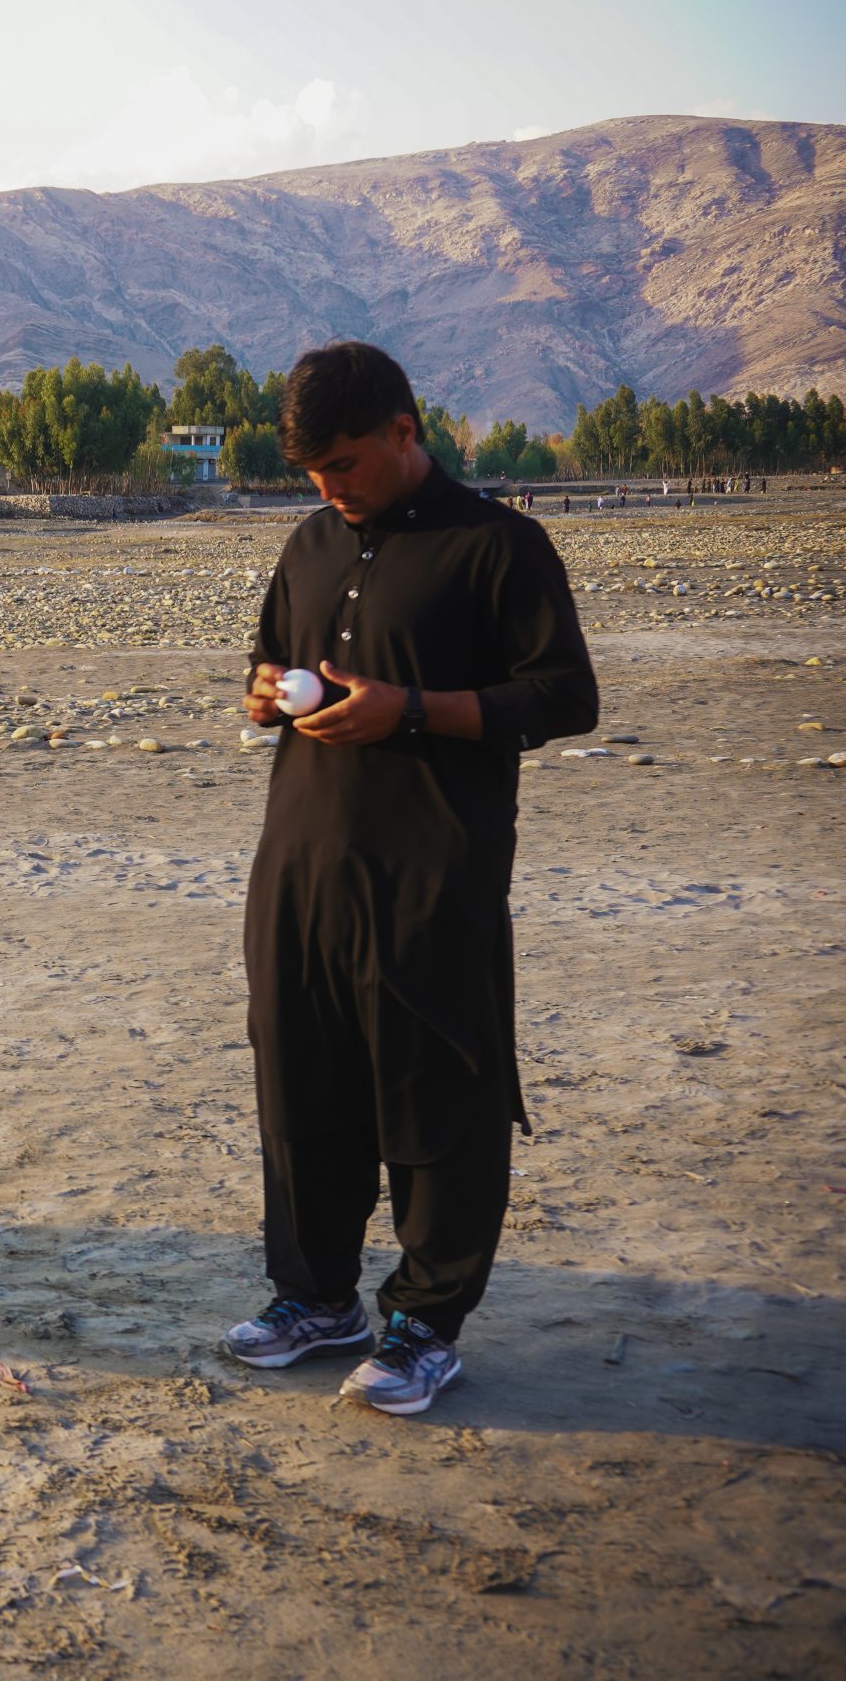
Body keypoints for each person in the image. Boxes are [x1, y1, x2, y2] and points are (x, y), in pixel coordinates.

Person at [226, 342, 597, 1415]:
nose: (328, 488)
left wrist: (416, 710)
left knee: (437, 1100)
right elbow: (270, 659)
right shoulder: (305, 543)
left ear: (403, 431)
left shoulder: (500, 548)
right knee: (300, 1090)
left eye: (344, 463)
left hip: (433, 877)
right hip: (298, 868)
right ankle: (314, 1298)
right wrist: (262, 695)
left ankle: (424, 1325)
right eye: (311, 471)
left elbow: (565, 698)